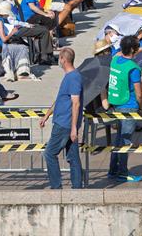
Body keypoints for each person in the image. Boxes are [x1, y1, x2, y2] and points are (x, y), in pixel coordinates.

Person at [40, 47, 83, 190]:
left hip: (64, 124)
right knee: (73, 157)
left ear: (63, 60)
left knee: (50, 154)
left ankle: (56, 186)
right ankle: (77, 187)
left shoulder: (74, 77)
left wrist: (73, 128)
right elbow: (61, 99)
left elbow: (75, 103)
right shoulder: (69, 76)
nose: (59, 61)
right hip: (64, 122)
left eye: (60, 58)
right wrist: (47, 115)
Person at [107, 35, 142, 183]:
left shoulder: (115, 60)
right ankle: (122, 172)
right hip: (129, 106)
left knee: (118, 139)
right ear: (134, 50)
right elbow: (138, 92)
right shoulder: (133, 68)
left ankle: (112, 170)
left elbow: (117, 52)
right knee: (126, 140)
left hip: (116, 103)